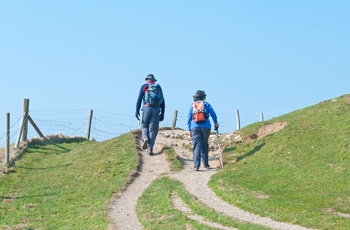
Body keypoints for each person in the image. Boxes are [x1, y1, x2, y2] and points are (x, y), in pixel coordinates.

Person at [188, 90, 219, 171]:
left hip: (194, 127)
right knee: (204, 144)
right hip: (206, 127)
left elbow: (189, 117)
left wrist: (189, 129)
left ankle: (196, 165)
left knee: (197, 146)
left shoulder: (192, 105)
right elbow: (213, 114)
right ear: (203, 97)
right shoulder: (206, 104)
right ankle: (205, 163)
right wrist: (216, 123)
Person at [135, 74, 165, 155]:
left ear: (147, 80)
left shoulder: (144, 87)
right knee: (153, 129)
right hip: (156, 109)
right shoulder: (158, 87)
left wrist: (137, 111)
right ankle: (150, 148)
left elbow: (139, 99)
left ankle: (145, 138)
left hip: (146, 108)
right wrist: (162, 112)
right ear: (154, 80)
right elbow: (163, 101)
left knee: (144, 126)